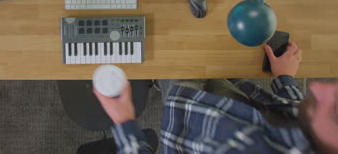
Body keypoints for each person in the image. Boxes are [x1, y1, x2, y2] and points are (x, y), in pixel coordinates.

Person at [94, 42, 338, 154]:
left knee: (167, 54)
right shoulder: (318, 137)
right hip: (235, 101)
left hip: (181, 115)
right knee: (203, 55)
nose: (317, 87)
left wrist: (124, 121)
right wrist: (285, 80)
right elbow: (295, 112)